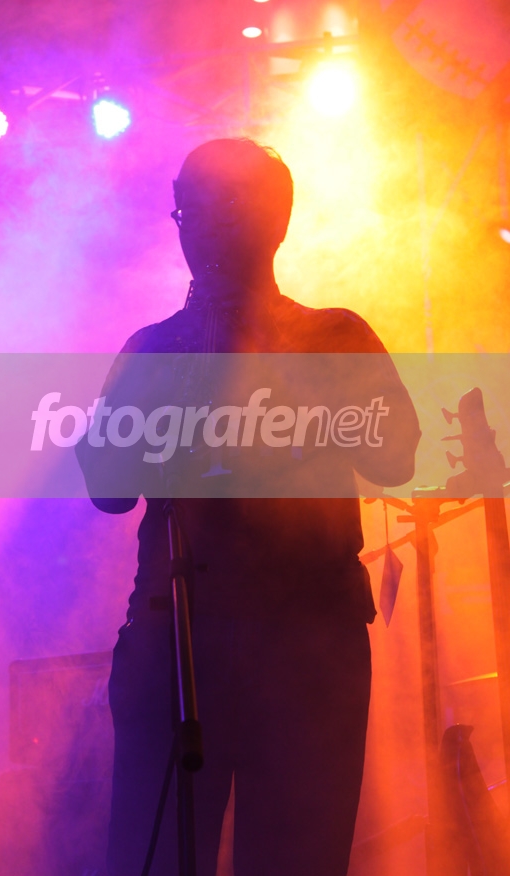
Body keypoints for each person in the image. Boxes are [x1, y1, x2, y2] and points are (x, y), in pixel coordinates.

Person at [77, 138, 421, 876]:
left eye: (220, 207)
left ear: (275, 221)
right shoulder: (157, 349)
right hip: (179, 643)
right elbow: (107, 488)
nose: (199, 228)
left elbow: (397, 458)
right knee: (160, 858)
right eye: (188, 211)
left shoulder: (332, 337)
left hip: (303, 648)